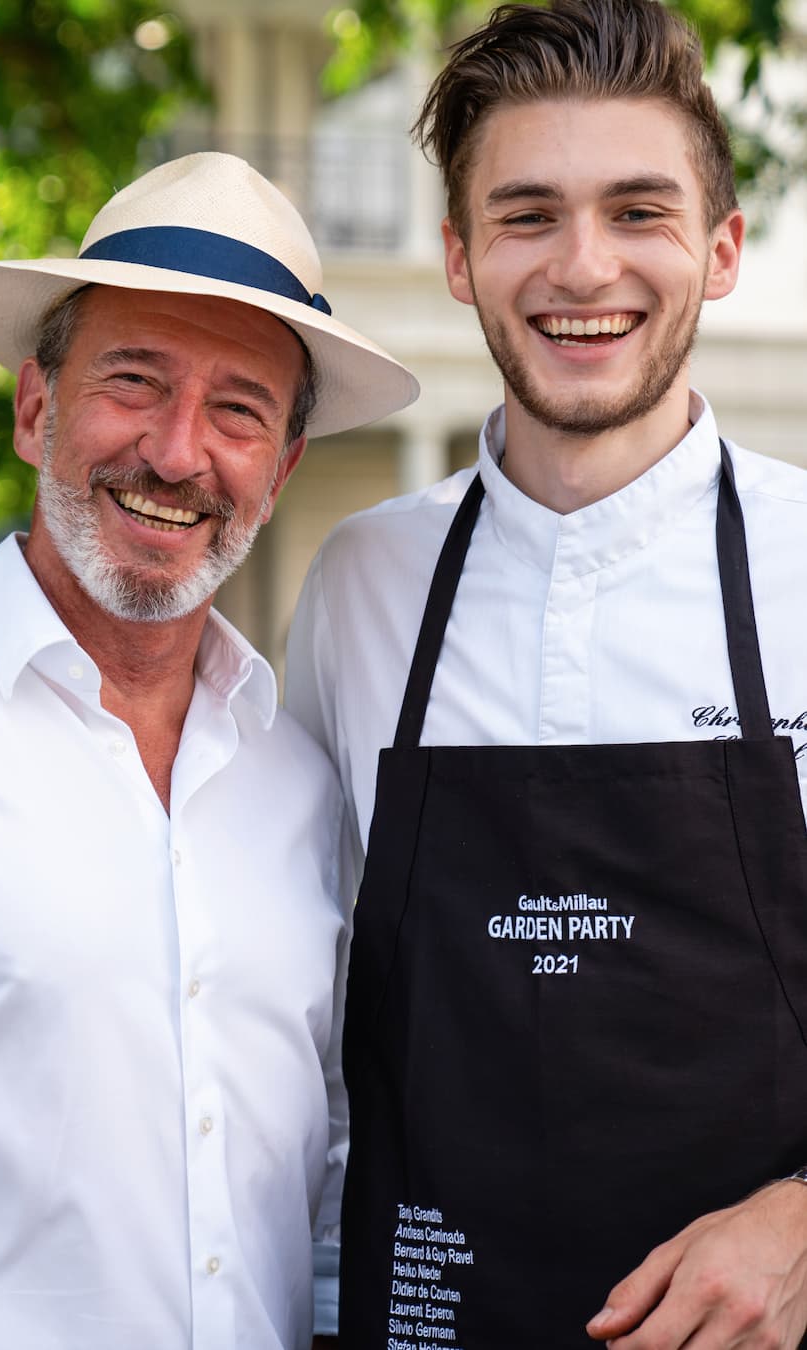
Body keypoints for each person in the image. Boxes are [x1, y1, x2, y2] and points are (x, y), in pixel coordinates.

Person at [284, 2, 807, 1346]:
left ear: (723, 249)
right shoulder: (358, 584)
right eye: (526, 216)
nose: (585, 268)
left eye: (639, 210)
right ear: (459, 258)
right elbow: (301, 1002)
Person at [0, 152, 418, 1350]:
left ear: (282, 470)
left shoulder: (296, 786)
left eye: (238, 409)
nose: (180, 453)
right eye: (134, 381)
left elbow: (330, 1187)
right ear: (37, 410)